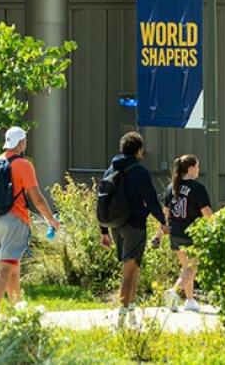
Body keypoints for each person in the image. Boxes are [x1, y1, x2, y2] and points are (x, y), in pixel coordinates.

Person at [0, 127, 61, 327]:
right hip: (15, 221)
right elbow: (36, 197)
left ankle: (17, 312)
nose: (25, 144)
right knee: (5, 269)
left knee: (12, 269)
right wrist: (51, 221)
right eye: (25, 141)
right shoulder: (23, 165)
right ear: (20, 144)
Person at [99, 132, 168, 326]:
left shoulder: (110, 170)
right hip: (134, 225)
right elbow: (152, 200)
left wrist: (103, 231)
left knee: (133, 269)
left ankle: (131, 313)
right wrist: (163, 222)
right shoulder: (139, 172)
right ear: (139, 150)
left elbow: (102, 200)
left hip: (115, 225)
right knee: (130, 271)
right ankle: (121, 318)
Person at [162, 154, 214, 312]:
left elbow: (165, 213)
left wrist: (159, 234)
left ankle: (190, 301)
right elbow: (207, 212)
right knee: (192, 267)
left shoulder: (171, 187)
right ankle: (174, 292)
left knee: (186, 267)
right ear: (191, 168)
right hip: (192, 233)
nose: (199, 169)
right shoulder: (198, 188)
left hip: (175, 232)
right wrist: (216, 226)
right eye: (197, 166)